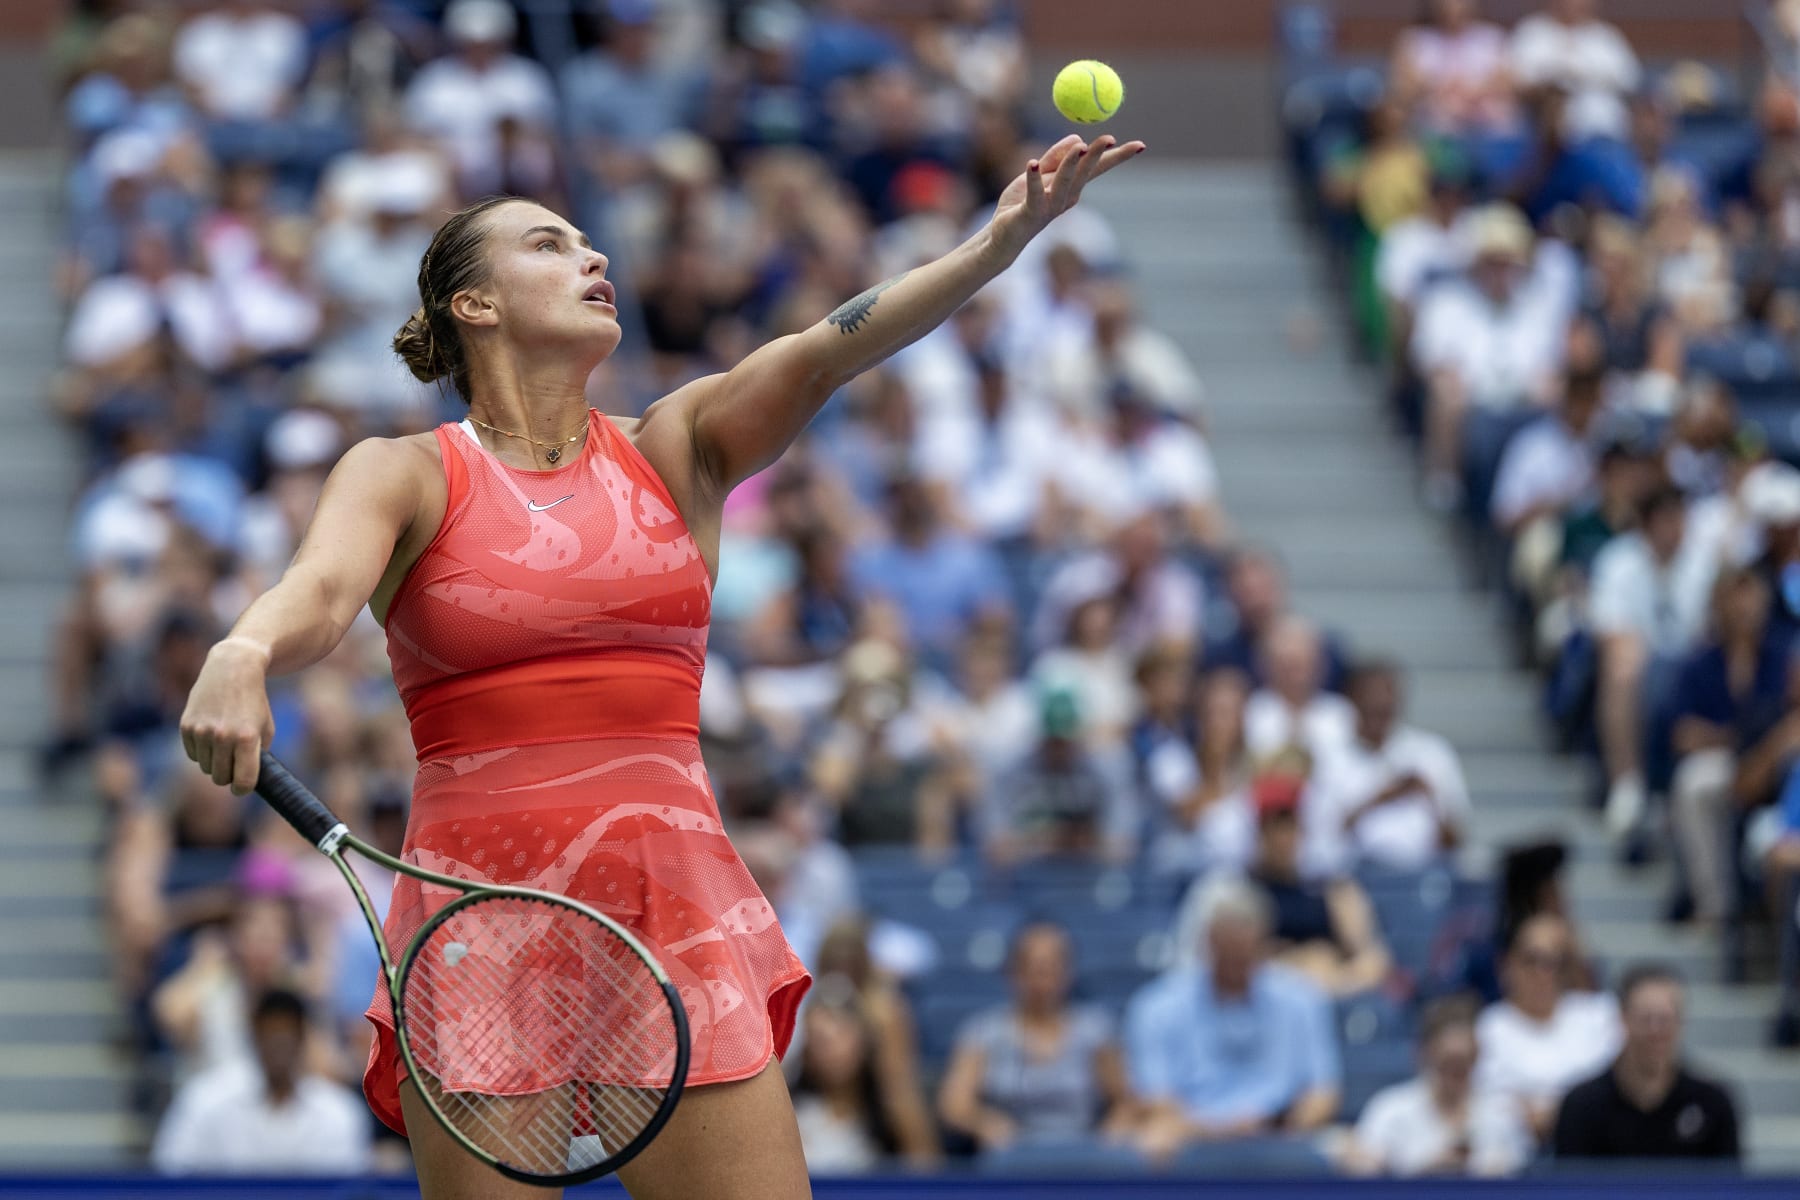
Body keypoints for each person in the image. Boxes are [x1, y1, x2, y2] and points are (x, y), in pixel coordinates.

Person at [178, 130, 1145, 1200]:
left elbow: (826, 347)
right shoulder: (406, 473)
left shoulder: (677, 447)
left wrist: (995, 245)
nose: (593, 258)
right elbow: (318, 590)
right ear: (475, 305)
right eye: (551, 245)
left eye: (592, 244)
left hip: (674, 914)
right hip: (475, 923)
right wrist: (245, 646)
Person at [1123, 876, 1340, 1164]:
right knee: (1149, 1144)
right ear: (1208, 944)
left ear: (1264, 944)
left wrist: (1283, 1130)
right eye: (1228, 955)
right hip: (1188, 1139)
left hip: (1280, 1137)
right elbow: (1155, 1099)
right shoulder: (1157, 1006)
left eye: (1245, 954)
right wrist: (1216, 1130)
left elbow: (1323, 1092)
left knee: (1355, 1155)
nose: (1237, 965)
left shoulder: (1302, 999)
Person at [936, 922, 1138, 1156]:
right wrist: (985, 1124)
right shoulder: (983, 1032)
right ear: (1013, 973)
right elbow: (954, 1105)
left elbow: (1126, 1100)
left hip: (1084, 1153)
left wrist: (1114, 1130)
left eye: (1052, 968)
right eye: (1033, 969)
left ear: (1067, 972)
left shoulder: (1095, 1030)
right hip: (1010, 1156)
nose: (1042, 980)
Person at [1669, 569, 1792, 925]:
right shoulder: (1700, 662)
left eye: (1751, 599)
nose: (1744, 609)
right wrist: (1732, 739)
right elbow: (1683, 734)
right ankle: (1715, 904)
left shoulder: (1784, 657)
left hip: (1782, 762)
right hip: (1730, 761)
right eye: (1735, 599)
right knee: (1694, 783)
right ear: (1719, 605)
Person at [151, 988, 371, 1175]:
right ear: (254, 1035)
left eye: (287, 1036)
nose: (278, 1047)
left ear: (302, 1038)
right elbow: (170, 1174)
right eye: (270, 1035)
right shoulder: (204, 1101)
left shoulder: (340, 1114)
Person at [1553, 965, 1741, 1161]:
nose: (1656, 1031)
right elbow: (1570, 1187)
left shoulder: (1712, 1103)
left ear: (1681, 1022)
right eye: (1645, 1019)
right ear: (1623, 1019)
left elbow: (1729, 1187)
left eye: (1665, 1019)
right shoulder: (1582, 1106)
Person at [1343, 995, 1532, 1178]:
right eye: (1447, 1063)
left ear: (1477, 1056)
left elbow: (1522, 1177)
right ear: (1424, 1054)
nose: (1456, 1073)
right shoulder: (1390, 1111)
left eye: (1464, 1063)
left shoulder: (1502, 1114)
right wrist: (1426, 1174)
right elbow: (1363, 1174)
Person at [1311, 659, 1469, 873]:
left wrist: (1430, 800)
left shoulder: (1432, 753)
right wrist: (1378, 799)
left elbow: (1457, 840)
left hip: (1423, 877)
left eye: (1386, 707)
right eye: (1371, 707)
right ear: (1352, 702)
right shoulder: (1327, 759)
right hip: (1353, 877)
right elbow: (1319, 845)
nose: (1379, 711)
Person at [1244, 772, 1393, 997]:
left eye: (1290, 827)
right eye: (1275, 828)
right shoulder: (1244, 893)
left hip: (1335, 983)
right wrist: (1303, 962)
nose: (1284, 839)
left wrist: (1334, 978)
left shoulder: (1329, 889)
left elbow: (1368, 956)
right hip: (1276, 992)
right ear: (1261, 834)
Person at [1476, 913, 1621, 1142]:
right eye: (1531, 959)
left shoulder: (1599, 1015)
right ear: (1508, 963)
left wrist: (1557, 1114)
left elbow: (1618, 1089)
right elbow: (1485, 1101)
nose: (1542, 972)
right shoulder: (1488, 1026)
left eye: (1554, 962)